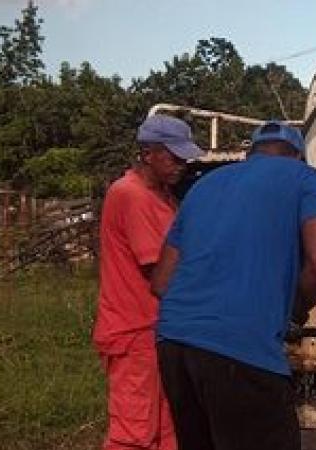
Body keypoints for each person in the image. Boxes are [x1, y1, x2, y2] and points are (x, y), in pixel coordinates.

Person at [151, 121, 316, 450]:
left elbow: (162, 281)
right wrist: (293, 311)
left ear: (251, 153)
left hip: (175, 343)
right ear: (298, 156)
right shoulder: (306, 179)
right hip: (242, 349)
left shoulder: (205, 185)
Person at [94, 114, 204, 450]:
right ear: (147, 153)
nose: (181, 166)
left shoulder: (164, 197)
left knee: (166, 430)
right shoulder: (132, 195)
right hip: (134, 330)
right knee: (135, 432)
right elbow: (161, 272)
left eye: (184, 158)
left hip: (157, 329)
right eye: (173, 157)